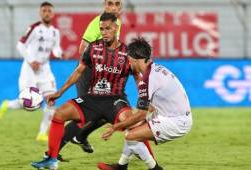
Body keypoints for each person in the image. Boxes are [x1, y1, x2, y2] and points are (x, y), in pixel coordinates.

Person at [31, 12, 142, 170]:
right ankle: (51, 159)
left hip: (115, 100)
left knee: (136, 125)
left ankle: (152, 166)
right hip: (93, 99)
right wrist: (60, 92)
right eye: (102, 29)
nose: (104, 32)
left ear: (116, 28)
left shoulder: (127, 53)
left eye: (108, 29)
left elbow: (138, 77)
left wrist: (145, 100)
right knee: (59, 114)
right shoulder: (93, 47)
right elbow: (78, 71)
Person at [98, 38, 193, 170]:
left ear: (135, 60)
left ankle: (154, 168)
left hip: (176, 121)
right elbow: (151, 106)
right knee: (132, 127)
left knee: (131, 136)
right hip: (171, 114)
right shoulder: (156, 69)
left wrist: (115, 127)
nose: (128, 63)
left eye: (129, 59)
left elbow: (142, 114)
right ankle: (121, 166)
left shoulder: (147, 79)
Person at [58, 0, 124, 154]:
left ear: (120, 7)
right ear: (104, 5)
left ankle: (80, 137)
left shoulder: (117, 23)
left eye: (117, 3)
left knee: (104, 112)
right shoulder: (97, 23)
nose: (113, 7)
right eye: (110, 3)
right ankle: (52, 151)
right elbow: (82, 49)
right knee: (86, 113)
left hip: (100, 75)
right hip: (87, 72)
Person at [0, 2, 64, 142]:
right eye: (44, 10)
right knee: (28, 104)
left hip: (45, 69)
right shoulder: (34, 28)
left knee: (51, 100)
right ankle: (7, 104)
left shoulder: (55, 32)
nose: (46, 13)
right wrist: (31, 60)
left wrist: (59, 53)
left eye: (49, 11)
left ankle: (42, 133)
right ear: (40, 13)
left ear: (52, 13)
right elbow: (20, 45)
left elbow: (56, 49)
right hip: (30, 69)